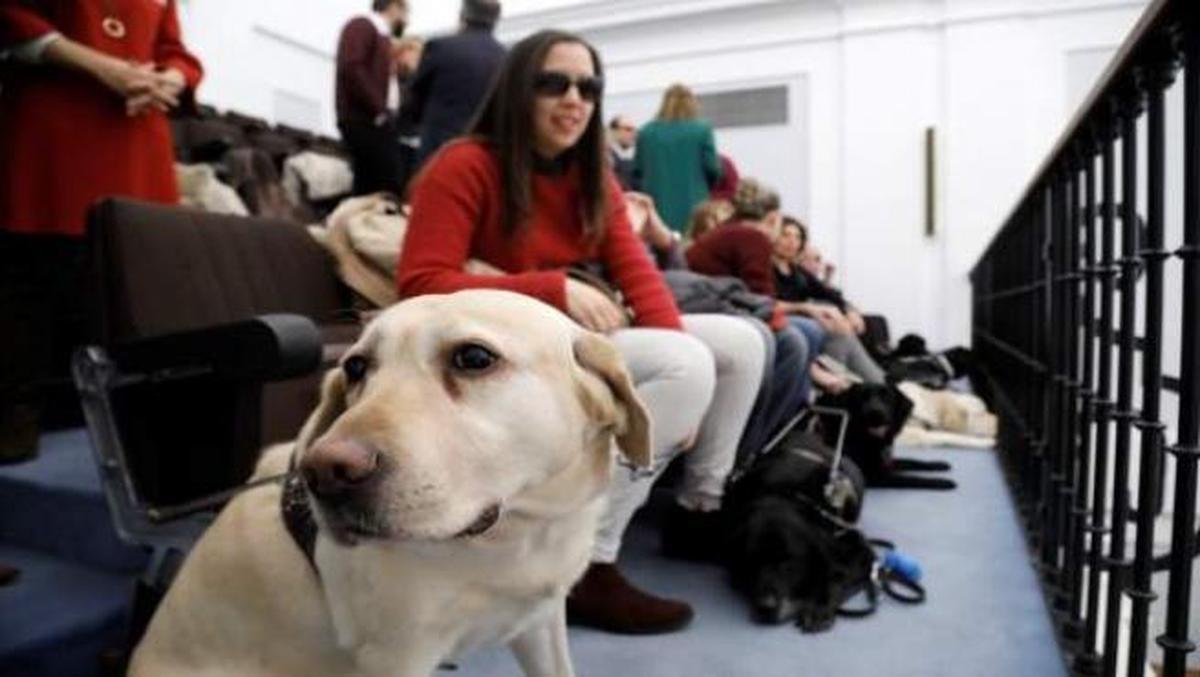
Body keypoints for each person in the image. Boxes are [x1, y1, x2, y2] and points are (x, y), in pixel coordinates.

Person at [397, 29, 768, 635]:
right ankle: (585, 563)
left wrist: (684, 369)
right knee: (686, 363)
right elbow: (418, 284)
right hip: (504, 346)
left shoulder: (591, 175)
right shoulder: (464, 164)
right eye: (554, 83)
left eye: (589, 87)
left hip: (569, 337)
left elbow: (639, 276)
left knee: (739, 345)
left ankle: (699, 510)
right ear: (519, 90)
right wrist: (550, 287)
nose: (575, 99)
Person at [0, 0, 203, 462]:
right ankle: (20, 412)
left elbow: (174, 49)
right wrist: (101, 66)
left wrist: (168, 78)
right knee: (32, 277)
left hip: (135, 137)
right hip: (55, 127)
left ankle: (115, 420)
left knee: (125, 282)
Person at [772, 216, 886, 384]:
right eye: (786, 235)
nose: (792, 242)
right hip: (783, 325)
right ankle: (869, 383)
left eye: (797, 237)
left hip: (804, 325)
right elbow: (767, 302)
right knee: (835, 328)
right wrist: (808, 308)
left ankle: (874, 383)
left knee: (843, 323)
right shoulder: (766, 268)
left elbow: (829, 294)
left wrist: (849, 310)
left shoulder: (797, 272)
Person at [405, 0, 505, 167]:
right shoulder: (505, 56)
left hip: (439, 146)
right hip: (484, 152)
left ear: (463, 16)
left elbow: (416, 95)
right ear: (495, 20)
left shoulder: (440, 47)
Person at [336, 0, 409, 196]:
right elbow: (352, 67)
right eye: (406, 11)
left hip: (377, 120)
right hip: (366, 119)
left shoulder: (382, 37)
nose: (407, 20)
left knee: (369, 185)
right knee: (386, 183)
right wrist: (379, 111)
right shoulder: (363, 25)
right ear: (395, 6)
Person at [633, 83, 721, 233]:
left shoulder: (646, 132)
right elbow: (713, 168)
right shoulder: (702, 129)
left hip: (658, 206)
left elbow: (638, 170)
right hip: (695, 204)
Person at [607, 114, 637, 190]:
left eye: (635, 130)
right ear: (613, 131)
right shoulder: (603, 158)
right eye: (628, 129)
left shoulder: (636, 160)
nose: (633, 134)